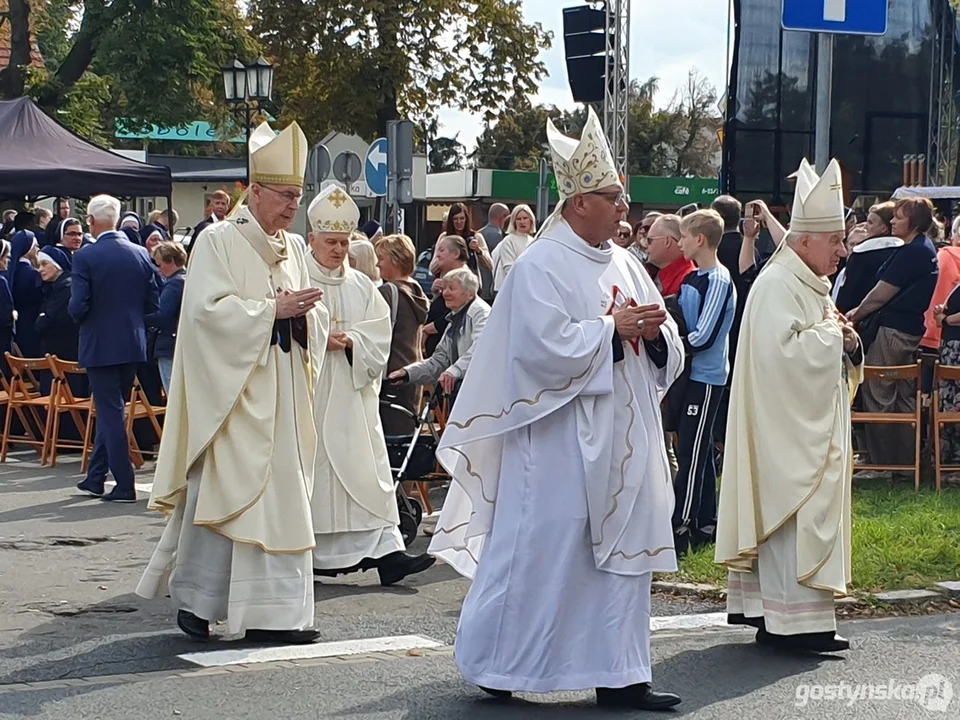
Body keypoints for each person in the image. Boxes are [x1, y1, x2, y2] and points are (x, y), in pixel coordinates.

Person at [428, 107, 684, 711]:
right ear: (577, 204)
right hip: (556, 442)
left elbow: (665, 342)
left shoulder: (625, 264)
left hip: (623, 435)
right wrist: (607, 329)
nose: (625, 208)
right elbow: (537, 351)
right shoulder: (539, 265)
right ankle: (501, 663)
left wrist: (648, 335)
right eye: (612, 197)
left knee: (623, 553)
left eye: (621, 197)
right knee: (547, 552)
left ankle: (622, 674)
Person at [136, 121, 328, 644]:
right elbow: (203, 316)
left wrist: (307, 317)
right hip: (236, 397)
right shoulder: (218, 240)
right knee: (221, 497)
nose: (294, 206)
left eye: (298, 196)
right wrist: (272, 310)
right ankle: (199, 603)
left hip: (281, 395)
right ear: (257, 192)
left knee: (280, 501)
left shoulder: (290, 246)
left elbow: (309, 309)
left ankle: (278, 614)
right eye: (286, 196)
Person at [716, 158, 862, 654]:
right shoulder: (778, 283)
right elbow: (780, 357)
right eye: (835, 241)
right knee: (793, 517)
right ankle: (792, 624)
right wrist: (833, 338)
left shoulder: (804, 282)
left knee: (802, 519)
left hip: (806, 424)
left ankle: (784, 618)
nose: (843, 251)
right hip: (786, 433)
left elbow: (820, 343)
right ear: (803, 242)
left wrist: (846, 343)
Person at [305, 185, 435, 586]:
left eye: (344, 242)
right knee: (316, 474)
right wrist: (318, 336)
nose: (338, 249)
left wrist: (354, 343)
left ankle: (388, 554)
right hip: (311, 394)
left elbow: (379, 335)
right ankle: (307, 555)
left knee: (371, 472)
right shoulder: (297, 278)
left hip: (352, 393)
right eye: (330, 242)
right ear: (312, 240)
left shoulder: (362, 287)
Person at [69, 195, 161, 503]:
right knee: (114, 410)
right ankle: (96, 477)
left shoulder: (86, 256)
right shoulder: (140, 253)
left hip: (100, 341)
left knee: (110, 413)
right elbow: (152, 302)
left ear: (92, 222)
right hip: (133, 340)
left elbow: (78, 306)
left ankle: (124, 482)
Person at [671, 210, 736, 556]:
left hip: (706, 377)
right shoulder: (696, 278)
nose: (680, 243)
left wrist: (672, 342)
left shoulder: (719, 280)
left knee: (692, 451)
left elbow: (705, 335)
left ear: (699, 240)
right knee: (700, 448)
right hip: (693, 375)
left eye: (683, 236)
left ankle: (680, 524)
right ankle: (706, 523)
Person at [389, 267, 490, 400]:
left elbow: (481, 349)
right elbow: (439, 360)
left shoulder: (480, 313)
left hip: (483, 395)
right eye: (444, 288)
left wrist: (454, 371)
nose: (445, 293)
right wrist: (407, 373)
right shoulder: (455, 319)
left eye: (451, 288)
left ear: (469, 293)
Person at [375, 234, 429, 436]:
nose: (378, 264)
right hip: (412, 372)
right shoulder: (417, 290)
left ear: (395, 260)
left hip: (391, 374)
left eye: (381, 258)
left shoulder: (387, 292)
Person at [146, 242, 187, 393]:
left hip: (169, 344)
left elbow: (161, 315)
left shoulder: (175, 283)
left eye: (160, 264)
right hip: (182, 342)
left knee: (173, 393)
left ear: (171, 261)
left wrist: (138, 318)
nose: (158, 268)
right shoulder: (188, 278)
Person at [36, 246, 79, 362]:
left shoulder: (66, 287)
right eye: (39, 265)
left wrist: (42, 318)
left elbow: (48, 321)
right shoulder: (54, 286)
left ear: (57, 265)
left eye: (44, 264)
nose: (40, 269)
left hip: (64, 353)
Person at [490, 204, 536, 293]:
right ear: (514, 222)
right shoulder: (508, 240)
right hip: (508, 289)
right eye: (518, 219)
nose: (522, 222)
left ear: (531, 220)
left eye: (525, 218)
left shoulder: (533, 241)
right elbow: (508, 268)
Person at [187, 190, 231, 256]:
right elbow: (192, 251)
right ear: (212, 205)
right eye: (217, 203)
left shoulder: (230, 226)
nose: (220, 206)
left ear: (228, 207)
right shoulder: (203, 227)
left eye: (223, 203)